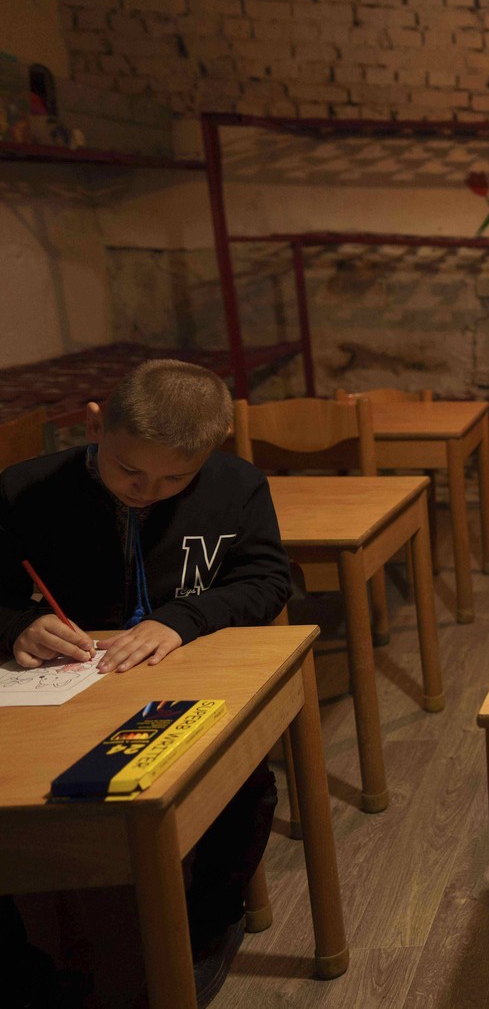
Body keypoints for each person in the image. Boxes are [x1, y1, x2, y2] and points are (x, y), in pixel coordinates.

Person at [0, 359, 292, 1007]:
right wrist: (18, 625)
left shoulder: (235, 486)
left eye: (174, 479)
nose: (147, 491)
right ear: (95, 423)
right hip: (63, 688)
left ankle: (206, 927)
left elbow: (269, 580)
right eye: (129, 471)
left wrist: (185, 617)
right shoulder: (24, 490)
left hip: (185, 678)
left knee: (243, 777)